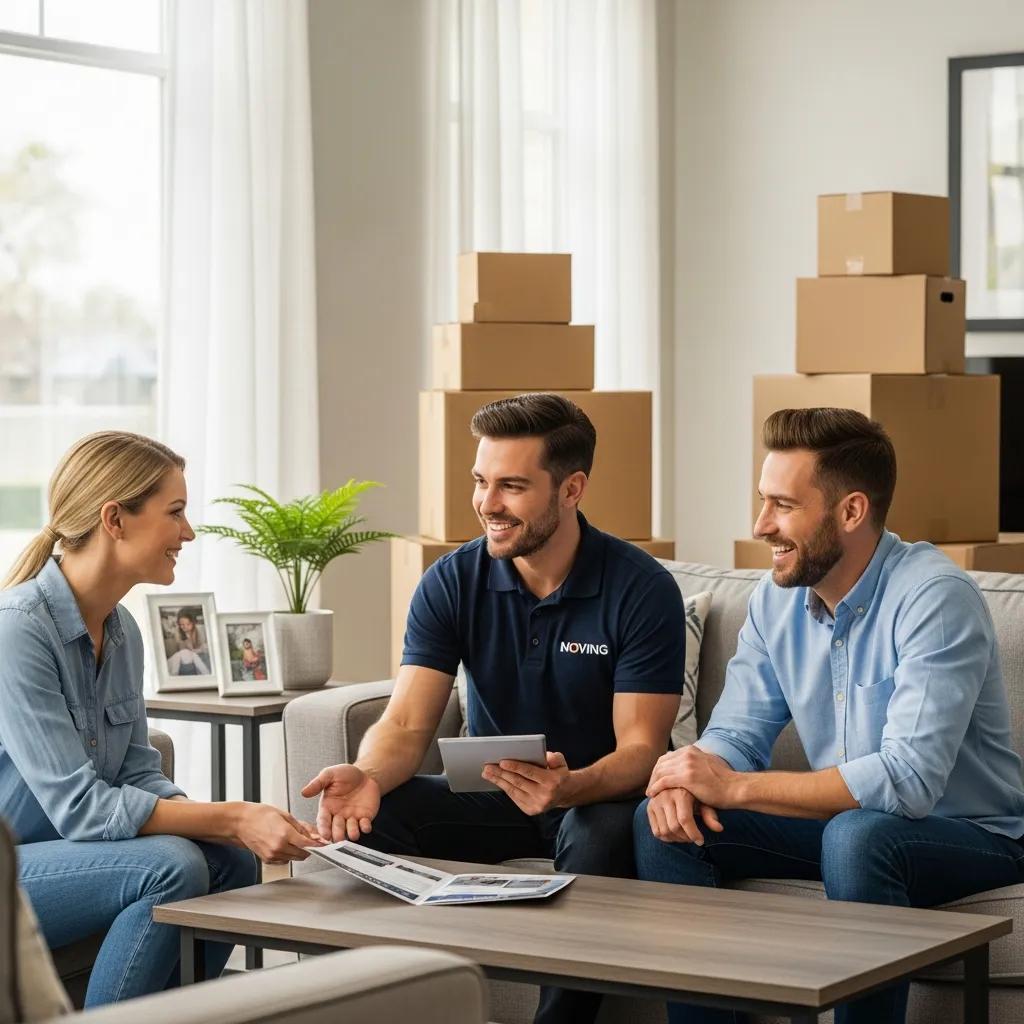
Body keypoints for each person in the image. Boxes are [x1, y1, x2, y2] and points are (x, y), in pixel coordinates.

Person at [303, 393, 686, 1024]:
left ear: (572, 489)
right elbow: (405, 724)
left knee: (601, 832)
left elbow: (643, 749)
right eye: (481, 481)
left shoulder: (640, 588)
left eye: (511, 486)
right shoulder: (451, 581)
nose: (486, 504)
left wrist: (571, 787)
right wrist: (367, 776)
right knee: (373, 819)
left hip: (595, 800)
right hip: (492, 795)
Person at [633, 408, 1024, 1024]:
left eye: (783, 506)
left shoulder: (934, 599)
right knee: (667, 826)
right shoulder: (775, 601)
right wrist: (689, 778)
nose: (761, 526)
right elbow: (736, 732)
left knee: (858, 834)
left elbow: (907, 781)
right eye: (763, 501)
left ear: (851, 512)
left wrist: (734, 786)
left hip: (971, 836)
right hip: (850, 833)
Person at [0, 431, 324, 1007]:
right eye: (175, 512)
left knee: (233, 859)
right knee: (170, 865)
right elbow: (81, 808)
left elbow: (136, 773)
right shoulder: (18, 630)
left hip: (69, 858)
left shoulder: (121, 632)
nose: (188, 532)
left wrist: (235, 828)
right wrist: (230, 815)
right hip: (16, 869)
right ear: (115, 519)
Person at [166, 608, 210, 676]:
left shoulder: (200, 630)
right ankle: (174, 673)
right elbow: (183, 650)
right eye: (182, 624)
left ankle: (206, 673)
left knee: (193, 654)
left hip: (194, 655)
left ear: (193, 622)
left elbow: (205, 647)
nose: (185, 627)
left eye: (188, 624)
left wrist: (200, 648)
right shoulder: (178, 632)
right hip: (185, 655)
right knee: (182, 654)